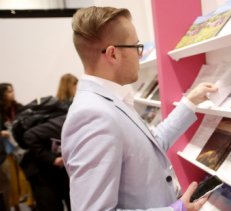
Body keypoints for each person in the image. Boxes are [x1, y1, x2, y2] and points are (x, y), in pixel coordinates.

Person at [62, 6, 217, 211]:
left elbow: (150, 146)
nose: (140, 55)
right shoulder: (92, 115)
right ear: (113, 54)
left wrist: (189, 102)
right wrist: (175, 210)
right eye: (136, 46)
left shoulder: (109, 101)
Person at [20, 74, 77, 211]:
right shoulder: (63, 119)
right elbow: (29, 136)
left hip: (56, 169)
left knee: (71, 200)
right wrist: (52, 159)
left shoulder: (65, 110)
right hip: (41, 171)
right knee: (51, 206)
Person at [0, 83, 34, 211]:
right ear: (2, 94)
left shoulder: (18, 108)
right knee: (12, 183)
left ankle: (31, 203)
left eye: (12, 90)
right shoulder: (1, 112)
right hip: (7, 152)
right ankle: (15, 206)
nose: (12, 93)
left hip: (21, 149)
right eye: (9, 91)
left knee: (24, 179)